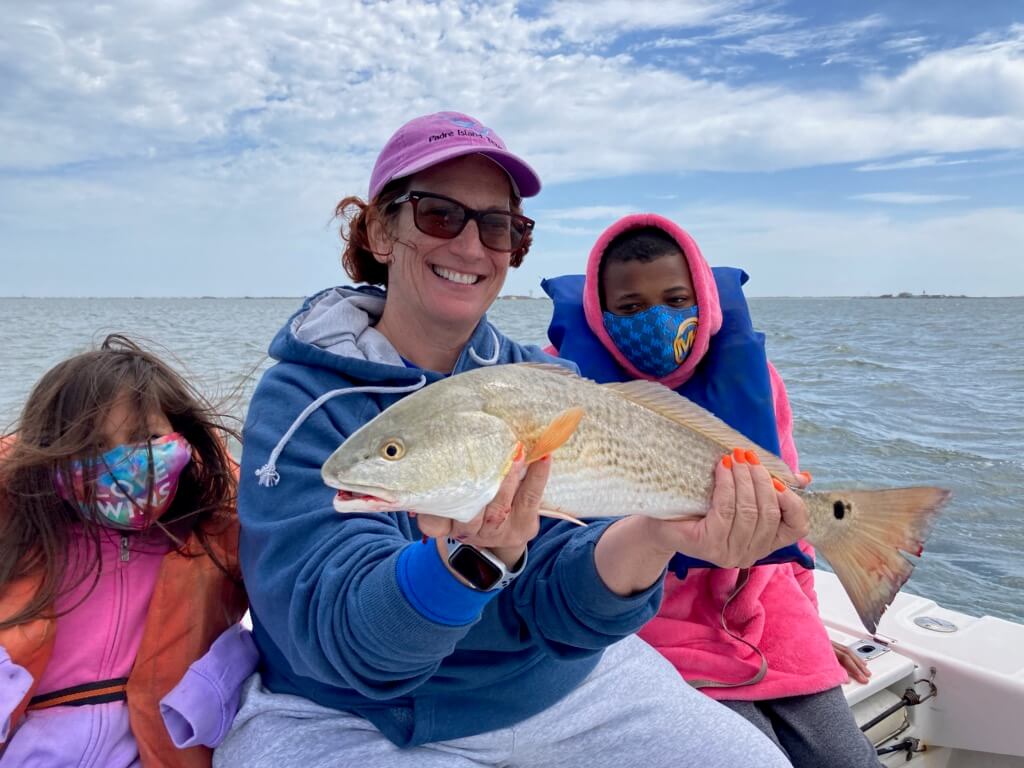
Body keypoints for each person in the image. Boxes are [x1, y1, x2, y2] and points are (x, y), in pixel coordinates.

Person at [217, 111, 809, 768]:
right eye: (439, 215)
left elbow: (563, 608)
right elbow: (340, 641)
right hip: (345, 716)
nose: (471, 248)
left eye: (499, 227)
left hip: (555, 685)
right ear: (382, 230)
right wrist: (468, 562)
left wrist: (660, 534)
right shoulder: (301, 401)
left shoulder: (545, 384)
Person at [542, 213, 881, 767]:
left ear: (704, 297)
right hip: (655, 630)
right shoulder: (562, 388)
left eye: (677, 299)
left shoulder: (755, 377)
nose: (657, 318)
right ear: (600, 316)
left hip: (772, 615)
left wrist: (814, 627)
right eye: (630, 308)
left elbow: (793, 533)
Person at [0, 334, 249, 767]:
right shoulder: (21, 540)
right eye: (94, 446)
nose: (122, 462)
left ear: (182, 440)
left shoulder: (213, 541)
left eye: (145, 437)